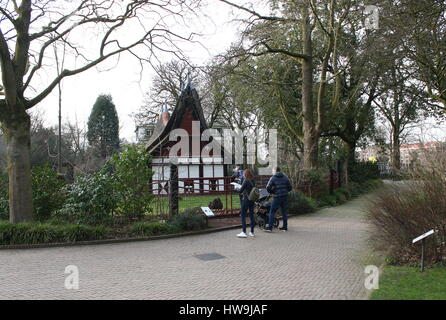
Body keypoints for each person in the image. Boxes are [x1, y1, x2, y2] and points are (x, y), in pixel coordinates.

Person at [264, 167, 292, 232]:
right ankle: (285, 227)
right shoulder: (285, 177)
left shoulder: (273, 178)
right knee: (284, 212)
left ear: (275, 171)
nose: (272, 172)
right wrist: (285, 191)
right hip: (284, 197)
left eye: (273, 170)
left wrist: (272, 193)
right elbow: (290, 187)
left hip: (277, 197)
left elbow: (267, 187)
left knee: (272, 212)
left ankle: (270, 228)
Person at [236, 169, 256, 238]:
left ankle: (244, 232)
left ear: (245, 174)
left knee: (243, 214)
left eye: (244, 173)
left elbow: (240, 191)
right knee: (251, 215)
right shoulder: (253, 180)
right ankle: (252, 232)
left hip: (246, 199)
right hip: (252, 199)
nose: (243, 175)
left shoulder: (246, 180)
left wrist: (237, 189)